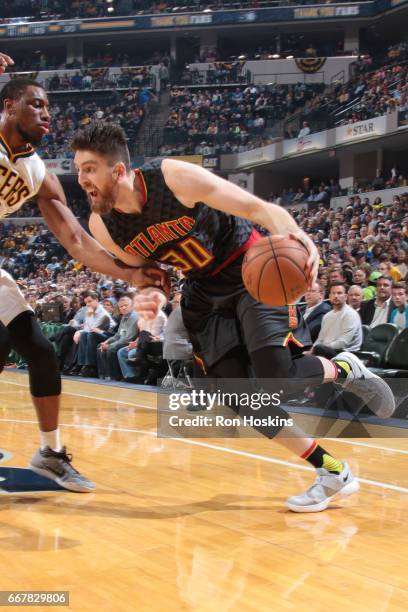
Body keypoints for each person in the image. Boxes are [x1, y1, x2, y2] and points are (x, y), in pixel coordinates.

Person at [70, 121, 396, 513]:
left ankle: (345, 369)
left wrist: (299, 238)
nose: (80, 178)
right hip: (202, 292)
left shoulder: (174, 178)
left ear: (118, 171)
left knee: (277, 378)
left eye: (88, 168)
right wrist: (151, 296)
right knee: (241, 397)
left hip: (249, 270)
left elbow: (259, 208)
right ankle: (332, 472)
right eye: (77, 170)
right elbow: (152, 276)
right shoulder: (101, 226)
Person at [0, 73, 166, 492]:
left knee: (40, 351)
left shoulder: (37, 173)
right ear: (8, 107)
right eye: (35, 103)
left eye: (48, 106)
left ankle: (50, 454)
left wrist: (128, 272)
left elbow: (75, 239)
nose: (46, 113)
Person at [312, 283, 362, 359]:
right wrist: (312, 350)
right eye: (333, 293)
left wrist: (318, 349)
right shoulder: (327, 316)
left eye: (339, 293)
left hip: (345, 355)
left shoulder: (351, 314)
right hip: (325, 352)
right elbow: (320, 339)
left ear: (345, 297)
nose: (336, 296)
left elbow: (342, 343)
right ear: (329, 296)